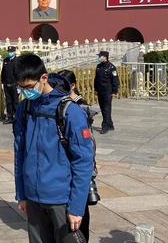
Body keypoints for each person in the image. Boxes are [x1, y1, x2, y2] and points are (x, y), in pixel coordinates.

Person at [13, 54, 94, 243]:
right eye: (21, 88)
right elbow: (20, 153)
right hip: (32, 197)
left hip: (61, 198)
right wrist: (21, 193)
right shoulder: (24, 109)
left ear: (44, 78)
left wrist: (76, 207)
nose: (25, 92)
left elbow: (83, 161)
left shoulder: (70, 112)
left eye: (29, 87)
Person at [58, 69, 101, 242]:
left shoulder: (78, 105)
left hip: (80, 156)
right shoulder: (60, 104)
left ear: (72, 86)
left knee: (80, 202)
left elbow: (87, 140)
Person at [93, 50, 119, 134]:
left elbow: (115, 80)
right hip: (100, 91)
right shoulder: (98, 66)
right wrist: (96, 89)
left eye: (100, 56)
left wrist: (114, 91)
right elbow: (96, 79)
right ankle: (110, 125)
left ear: (105, 57)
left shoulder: (111, 67)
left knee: (106, 109)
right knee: (103, 108)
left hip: (108, 91)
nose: (99, 58)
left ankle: (105, 126)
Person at [1, 46, 19, 124]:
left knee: (15, 102)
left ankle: (17, 118)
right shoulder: (6, 60)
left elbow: (19, 74)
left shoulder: (17, 61)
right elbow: (3, 72)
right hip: (6, 84)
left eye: (11, 51)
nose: (9, 53)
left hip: (14, 85)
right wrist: (3, 82)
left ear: (14, 52)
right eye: (9, 51)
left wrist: (19, 86)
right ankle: (9, 117)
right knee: (8, 102)